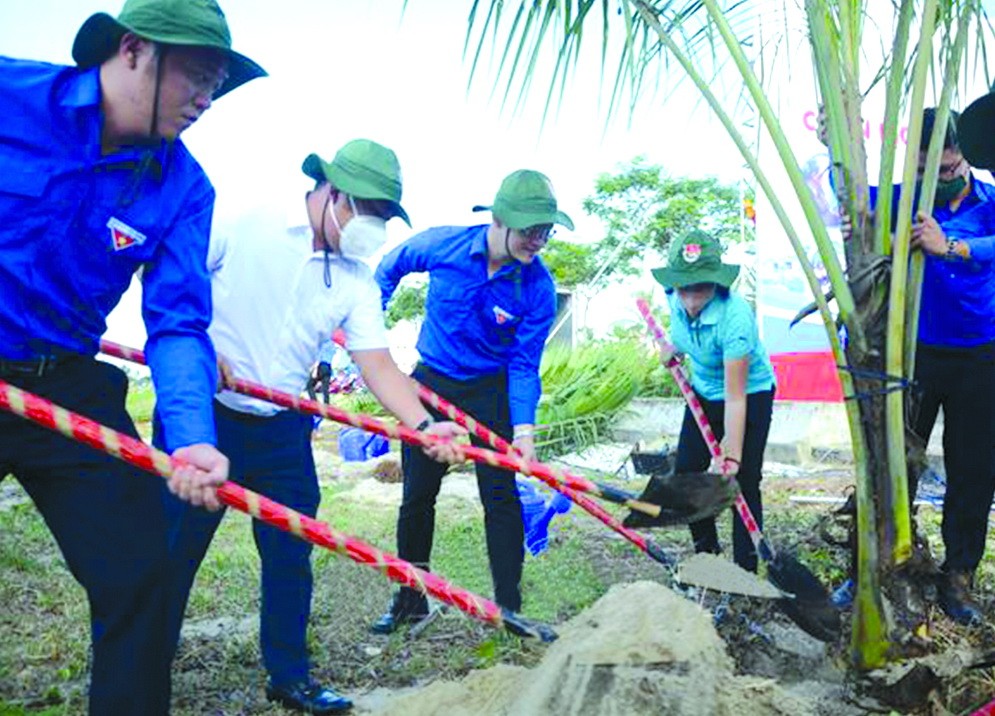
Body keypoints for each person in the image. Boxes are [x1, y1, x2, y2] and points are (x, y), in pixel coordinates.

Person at [0, 1, 263, 713]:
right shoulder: (11, 97)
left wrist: (194, 438)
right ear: (134, 49)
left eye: (216, 85)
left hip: (67, 381)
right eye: (197, 75)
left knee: (143, 571)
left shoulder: (185, 188)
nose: (206, 99)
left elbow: (177, 325)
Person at [159, 139, 465, 715]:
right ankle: (146, 660)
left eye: (383, 215)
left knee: (290, 555)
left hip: (283, 429)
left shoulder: (356, 279)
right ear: (329, 190)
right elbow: (174, 286)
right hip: (205, 416)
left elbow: (378, 364)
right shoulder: (245, 220)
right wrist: (198, 347)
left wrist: (427, 424)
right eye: (365, 208)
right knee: (173, 548)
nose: (372, 224)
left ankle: (289, 676)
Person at [370, 169, 572, 632]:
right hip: (430, 385)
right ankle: (410, 600)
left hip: (489, 390)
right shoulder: (445, 245)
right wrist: (369, 321)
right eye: (530, 230)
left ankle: (509, 609)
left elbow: (524, 365)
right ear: (499, 219)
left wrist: (524, 432)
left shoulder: (537, 288)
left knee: (500, 499)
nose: (538, 241)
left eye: (546, 231)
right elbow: (390, 266)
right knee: (417, 497)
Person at [822, 107, 995, 623]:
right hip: (912, 352)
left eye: (950, 167)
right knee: (896, 462)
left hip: (982, 353)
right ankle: (877, 567)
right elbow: (851, 200)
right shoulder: (900, 198)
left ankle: (958, 577)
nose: (942, 177)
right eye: (927, 170)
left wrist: (951, 246)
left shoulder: (989, 201)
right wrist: (836, 149)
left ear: (963, 156)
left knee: (974, 468)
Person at [651, 230, 776, 573]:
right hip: (703, 392)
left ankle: (745, 570)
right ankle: (708, 556)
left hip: (749, 394)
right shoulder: (672, 297)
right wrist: (673, 349)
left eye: (701, 287)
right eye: (684, 287)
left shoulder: (736, 318)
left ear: (716, 282)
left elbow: (736, 397)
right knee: (687, 473)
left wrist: (731, 454)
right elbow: (684, 337)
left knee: (742, 481)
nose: (691, 299)